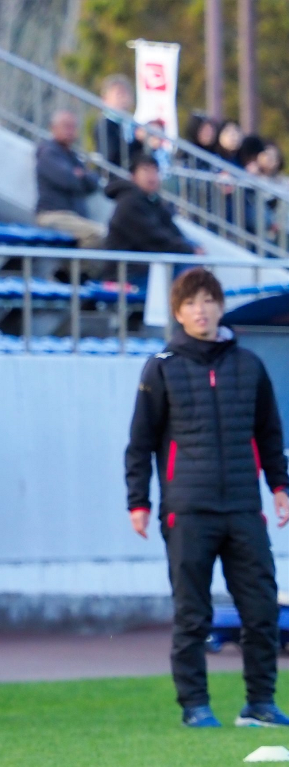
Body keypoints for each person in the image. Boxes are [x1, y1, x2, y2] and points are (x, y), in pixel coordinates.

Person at [125, 268, 289, 729]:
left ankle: (259, 703)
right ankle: (194, 705)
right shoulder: (162, 367)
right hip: (187, 510)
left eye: (208, 300)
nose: (201, 310)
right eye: (190, 303)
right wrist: (137, 501)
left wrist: (281, 486)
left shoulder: (249, 365)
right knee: (192, 613)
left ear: (220, 306)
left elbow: (269, 434)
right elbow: (140, 443)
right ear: (178, 313)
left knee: (260, 610)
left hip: (242, 508)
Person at [103, 156, 198, 269]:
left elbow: (171, 229)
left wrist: (190, 247)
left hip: (148, 268)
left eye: (155, 171)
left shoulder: (151, 201)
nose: (152, 176)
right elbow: (154, 239)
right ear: (133, 176)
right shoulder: (129, 202)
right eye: (146, 171)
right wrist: (189, 250)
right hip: (129, 273)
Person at [35, 109, 105, 247]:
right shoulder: (48, 153)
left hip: (73, 218)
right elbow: (68, 180)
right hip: (53, 215)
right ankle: (76, 269)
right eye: (66, 126)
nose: (71, 130)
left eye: (73, 126)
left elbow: (93, 182)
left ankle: (74, 268)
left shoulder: (72, 156)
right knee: (98, 233)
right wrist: (79, 176)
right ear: (53, 128)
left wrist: (81, 175)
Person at [93, 73, 140, 172]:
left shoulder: (133, 125)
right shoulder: (105, 125)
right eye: (119, 94)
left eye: (127, 94)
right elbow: (112, 155)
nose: (124, 98)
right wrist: (138, 141)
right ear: (105, 99)